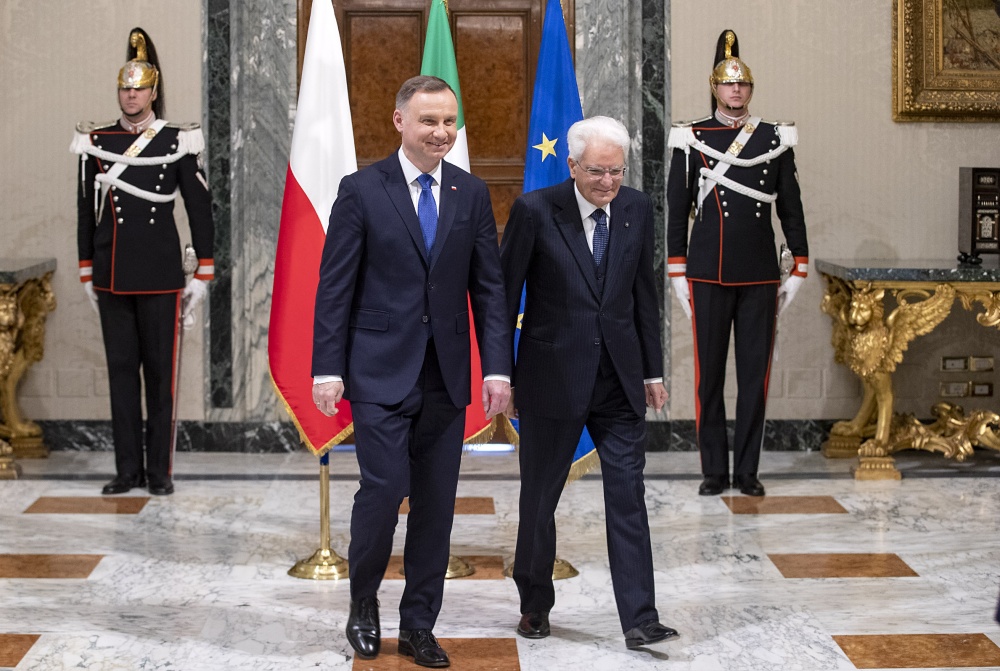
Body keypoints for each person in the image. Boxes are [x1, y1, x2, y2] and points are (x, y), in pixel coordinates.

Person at [311, 76, 512, 668]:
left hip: (445, 376)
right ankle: (364, 604)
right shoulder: (361, 190)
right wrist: (328, 368)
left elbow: (490, 291)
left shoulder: (472, 194)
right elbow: (334, 288)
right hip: (377, 372)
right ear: (400, 122)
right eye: (429, 121)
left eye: (450, 121)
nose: (441, 133)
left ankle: (420, 623)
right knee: (383, 489)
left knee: (436, 503)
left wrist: (496, 367)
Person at [499, 116, 677, 650]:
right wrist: (498, 374)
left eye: (617, 171)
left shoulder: (636, 208)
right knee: (540, 498)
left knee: (629, 495)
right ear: (572, 165)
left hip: (619, 381)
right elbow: (504, 299)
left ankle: (640, 618)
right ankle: (534, 603)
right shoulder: (535, 210)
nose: (608, 182)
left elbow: (643, 294)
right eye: (597, 171)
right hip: (552, 378)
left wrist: (652, 370)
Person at [72, 28, 214, 497]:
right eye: (124, 88)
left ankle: (159, 473)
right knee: (120, 374)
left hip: (159, 275)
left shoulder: (178, 139)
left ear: (153, 92)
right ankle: (126, 471)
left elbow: (198, 208)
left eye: (139, 88)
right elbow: (83, 210)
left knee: (160, 375)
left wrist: (204, 271)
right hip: (112, 273)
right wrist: (87, 269)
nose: (131, 96)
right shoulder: (95, 140)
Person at [666, 29, 809, 497]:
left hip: (761, 272)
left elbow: (790, 205)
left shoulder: (774, 137)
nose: (736, 91)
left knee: (754, 378)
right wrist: (676, 268)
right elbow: (676, 205)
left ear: (750, 89)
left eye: (743, 85)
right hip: (707, 272)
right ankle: (713, 471)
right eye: (728, 84)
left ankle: (747, 471)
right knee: (709, 377)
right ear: (714, 87)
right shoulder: (692, 137)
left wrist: (800, 263)